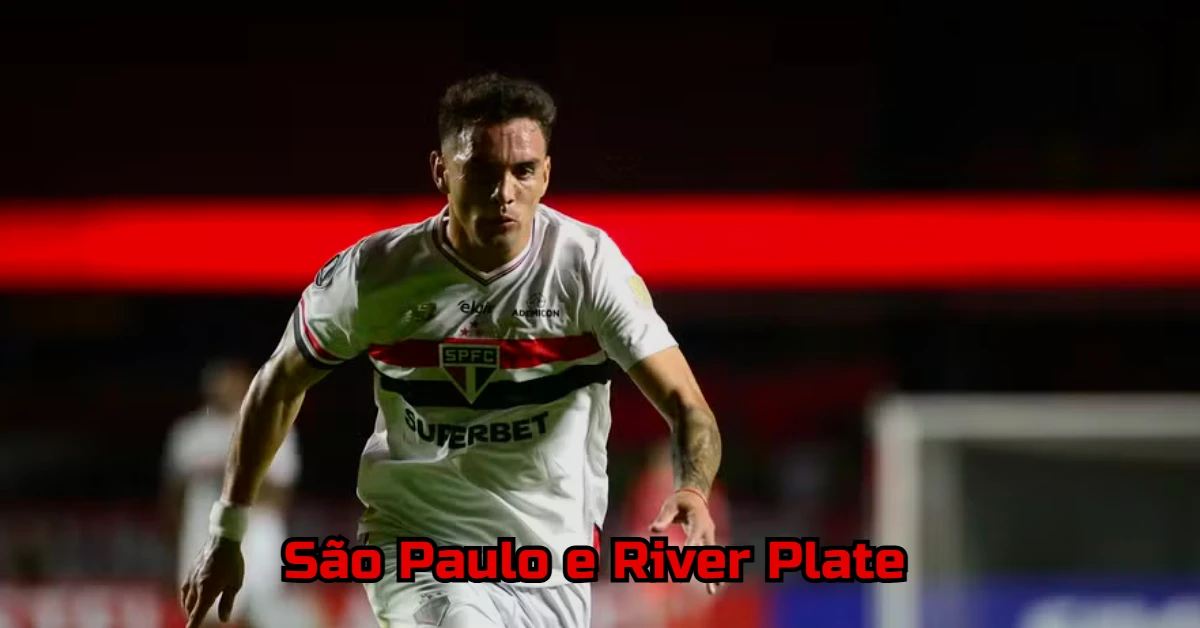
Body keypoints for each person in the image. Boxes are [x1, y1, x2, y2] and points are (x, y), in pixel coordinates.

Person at [179, 73, 723, 628]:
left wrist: (693, 488)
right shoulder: (376, 275)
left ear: (546, 175)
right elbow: (277, 384)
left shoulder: (587, 268)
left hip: (551, 561)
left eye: (523, 171)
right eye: (482, 171)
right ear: (441, 171)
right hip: (417, 542)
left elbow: (687, 405)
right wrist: (227, 529)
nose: (504, 192)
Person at [165, 358, 300, 628]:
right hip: (203, 536)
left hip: (256, 536)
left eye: (232, 380)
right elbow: (173, 496)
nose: (224, 387)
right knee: (205, 614)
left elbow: (282, 494)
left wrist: (234, 481)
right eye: (219, 381)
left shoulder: (270, 425)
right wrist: (178, 535)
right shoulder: (189, 434)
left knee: (259, 616)